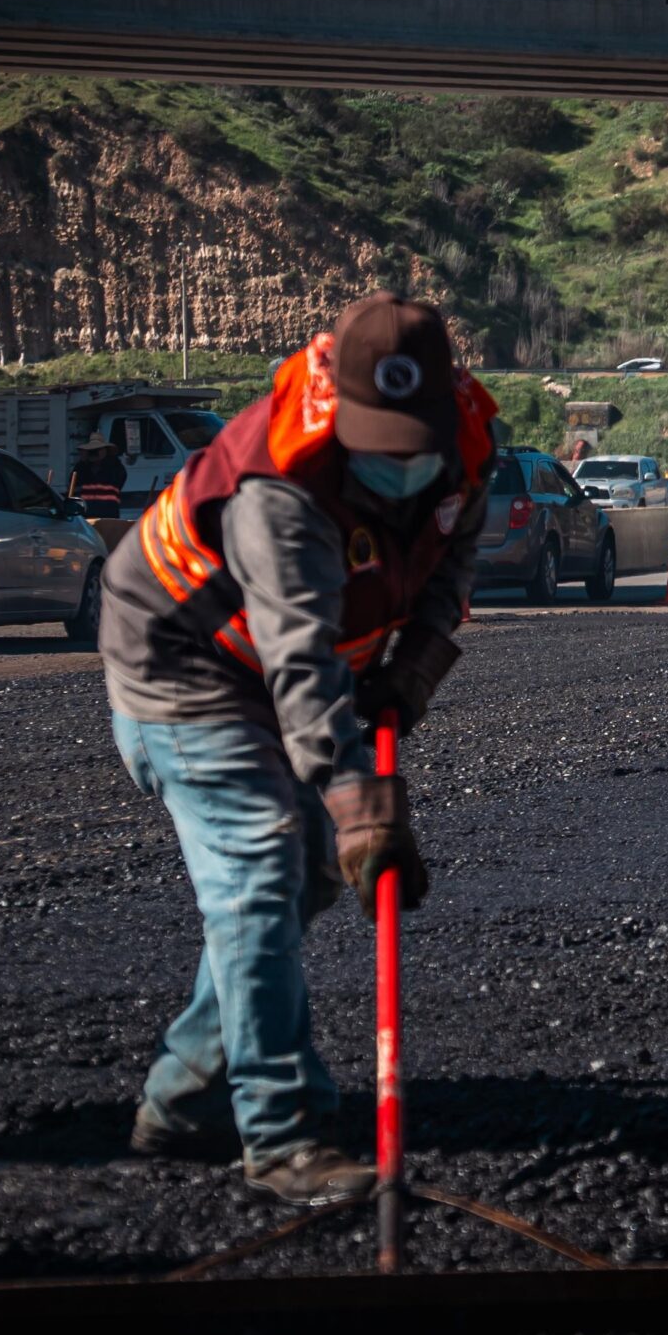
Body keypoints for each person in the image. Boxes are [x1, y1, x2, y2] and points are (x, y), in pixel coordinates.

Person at [99, 293, 497, 1204]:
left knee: (306, 875)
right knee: (263, 863)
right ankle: (281, 1134)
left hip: (285, 665)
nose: (400, 462)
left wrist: (410, 676)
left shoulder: (468, 450)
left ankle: (185, 1097)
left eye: (415, 440)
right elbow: (302, 669)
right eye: (377, 441)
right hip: (184, 659)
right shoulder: (279, 487)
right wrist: (363, 811)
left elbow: (449, 575)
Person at [68, 434, 127, 519]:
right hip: (86, 514)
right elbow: (73, 484)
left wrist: (108, 460)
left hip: (108, 514)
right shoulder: (81, 467)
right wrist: (83, 461)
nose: (94, 452)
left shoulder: (115, 466)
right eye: (91, 450)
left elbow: (120, 478)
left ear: (105, 451)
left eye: (97, 450)